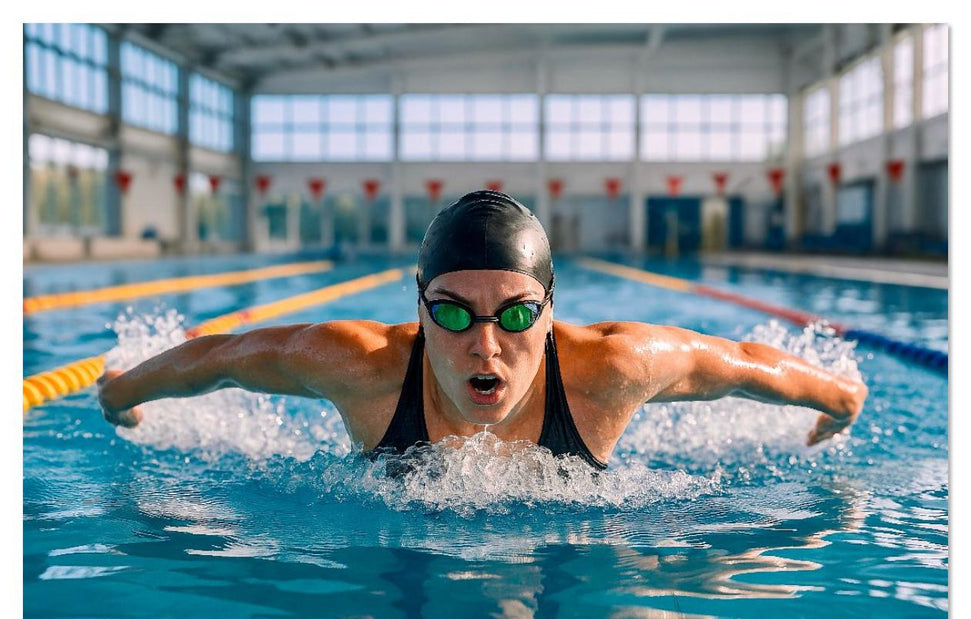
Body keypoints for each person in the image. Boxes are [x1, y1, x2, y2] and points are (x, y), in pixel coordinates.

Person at [98, 190, 867, 472]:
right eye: (455, 312)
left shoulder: (612, 368)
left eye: (518, 314)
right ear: (420, 308)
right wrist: (124, 394)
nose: (485, 345)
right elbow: (225, 357)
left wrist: (836, 397)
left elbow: (738, 363)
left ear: (551, 311)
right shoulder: (359, 364)